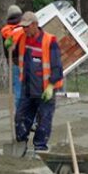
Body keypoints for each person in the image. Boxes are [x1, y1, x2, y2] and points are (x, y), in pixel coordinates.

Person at [14, 11, 64, 153]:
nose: (24, 29)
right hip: (27, 88)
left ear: (35, 25)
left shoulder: (50, 41)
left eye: (27, 26)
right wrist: (9, 47)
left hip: (45, 89)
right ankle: (20, 145)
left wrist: (51, 86)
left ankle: (40, 148)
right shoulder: (22, 39)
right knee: (21, 118)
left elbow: (57, 67)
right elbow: (15, 57)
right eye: (23, 27)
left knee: (44, 120)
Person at [0, 4, 24, 109]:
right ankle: (32, 120)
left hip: (14, 63)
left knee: (18, 91)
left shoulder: (5, 31)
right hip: (28, 63)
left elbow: (6, 50)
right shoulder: (25, 28)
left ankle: (19, 118)